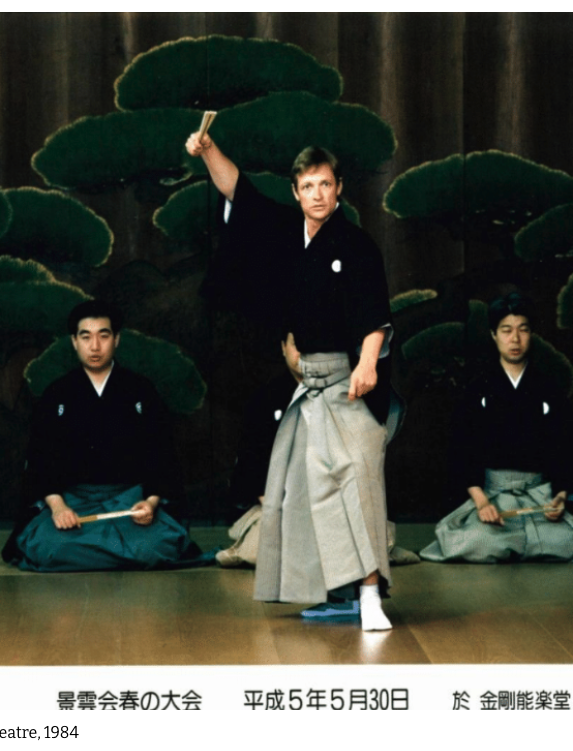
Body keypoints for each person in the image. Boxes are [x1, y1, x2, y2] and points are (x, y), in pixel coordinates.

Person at [187, 131, 397, 631]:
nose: (318, 194)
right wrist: (210, 148)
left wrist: (368, 363)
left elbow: (374, 312)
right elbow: (240, 190)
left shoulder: (356, 245)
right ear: (295, 192)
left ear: (339, 188)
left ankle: (370, 596)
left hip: (350, 382)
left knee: (358, 482)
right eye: (308, 185)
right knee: (305, 492)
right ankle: (337, 593)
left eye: (326, 184)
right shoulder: (287, 232)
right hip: (309, 386)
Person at [217, 333, 420, 614]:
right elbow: (248, 469)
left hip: (342, 504)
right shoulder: (266, 397)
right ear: (283, 348)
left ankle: (355, 585)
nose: (303, 353)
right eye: (296, 345)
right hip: (283, 505)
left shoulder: (349, 393)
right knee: (264, 547)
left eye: (309, 344)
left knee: (365, 537)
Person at [1, 299, 206, 572]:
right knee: (50, 547)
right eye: (86, 337)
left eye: (103, 336)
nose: (95, 346)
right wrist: (58, 507)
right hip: (74, 504)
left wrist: (150, 502)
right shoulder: (57, 394)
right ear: (74, 341)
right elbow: (40, 461)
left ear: (117, 340)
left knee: (155, 546)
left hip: (129, 503)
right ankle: (119, 554)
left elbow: (162, 456)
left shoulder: (140, 391)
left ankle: (95, 554)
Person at [420, 292, 573, 563]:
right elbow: (462, 449)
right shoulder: (479, 388)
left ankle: (516, 544)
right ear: (493, 335)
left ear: (531, 334)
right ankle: (513, 542)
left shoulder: (548, 388)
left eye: (523, 330)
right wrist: (482, 502)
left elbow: (566, 444)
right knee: (479, 542)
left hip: (538, 494)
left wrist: (559, 496)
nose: (515, 339)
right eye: (506, 330)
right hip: (493, 494)